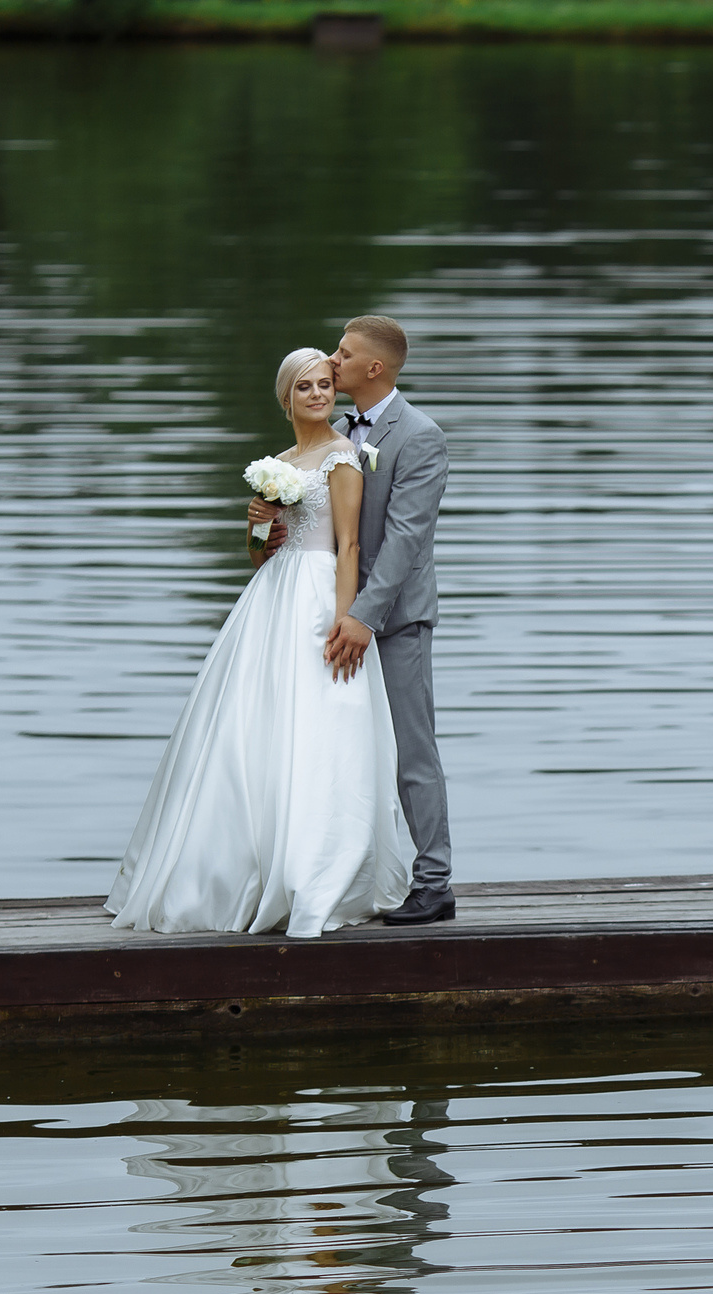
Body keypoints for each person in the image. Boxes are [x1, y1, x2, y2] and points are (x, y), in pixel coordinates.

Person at [105, 348, 414, 937]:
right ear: (287, 398)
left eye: (326, 384)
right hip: (273, 597)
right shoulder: (277, 464)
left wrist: (347, 619)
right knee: (255, 723)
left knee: (325, 721)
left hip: (323, 594)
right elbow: (257, 555)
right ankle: (242, 866)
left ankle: (318, 869)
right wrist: (257, 519)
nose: (320, 395)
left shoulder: (344, 456)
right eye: (306, 388)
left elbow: (348, 545)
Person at [253, 315, 457, 926]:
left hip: (391, 620)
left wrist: (364, 617)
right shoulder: (336, 433)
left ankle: (435, 882)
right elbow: (306, 535)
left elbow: (406, 540)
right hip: (331, 614)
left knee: (411, 751)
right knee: (338, 748)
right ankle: (343, 871)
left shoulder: (419, 436)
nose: (331, 363)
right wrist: (265, 520)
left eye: (343, 354)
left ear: (374, 368)